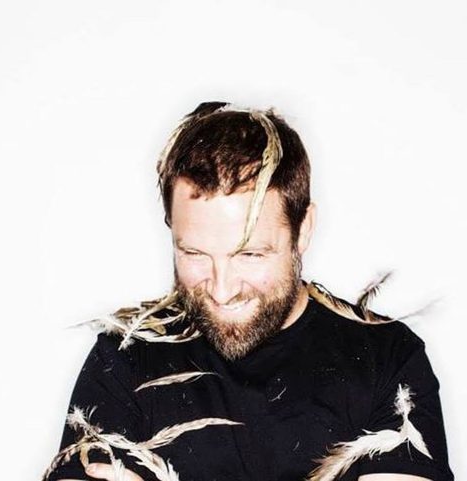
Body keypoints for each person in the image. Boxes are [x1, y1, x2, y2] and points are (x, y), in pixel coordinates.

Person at [44, 102, 454, 481]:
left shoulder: (387, 360)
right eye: (194, 253)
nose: (222, 290)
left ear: (303, 230)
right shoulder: (124, 358)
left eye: (250, 254)